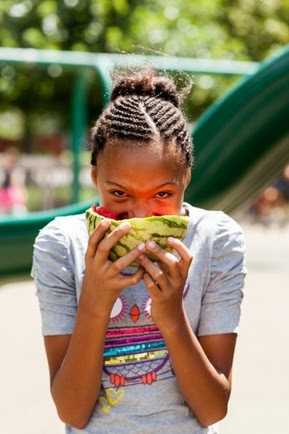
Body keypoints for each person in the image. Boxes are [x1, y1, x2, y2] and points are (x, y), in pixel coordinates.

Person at [32, 69, 246, 433]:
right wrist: (96, 299)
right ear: (95, 175)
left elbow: (212, 410)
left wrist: (172, 314)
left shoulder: (217, 239)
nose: (140, 216)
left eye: (162, 195)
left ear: (187, 178)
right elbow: (72, 411)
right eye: (119, 194)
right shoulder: (61, 245)